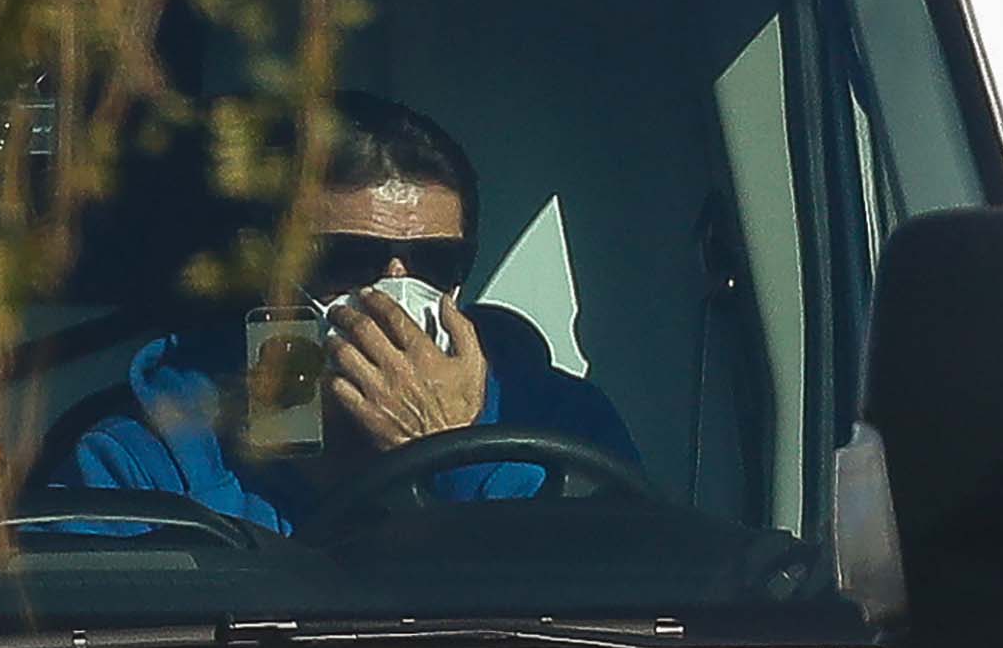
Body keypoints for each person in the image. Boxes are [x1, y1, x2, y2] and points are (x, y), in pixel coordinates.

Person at [69, 93, 639, 530]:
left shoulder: (567, 431)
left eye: (434, 262)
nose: (394, 288)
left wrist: (445, 457)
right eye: (349, 258)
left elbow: (612, 620)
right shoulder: (144, 461)